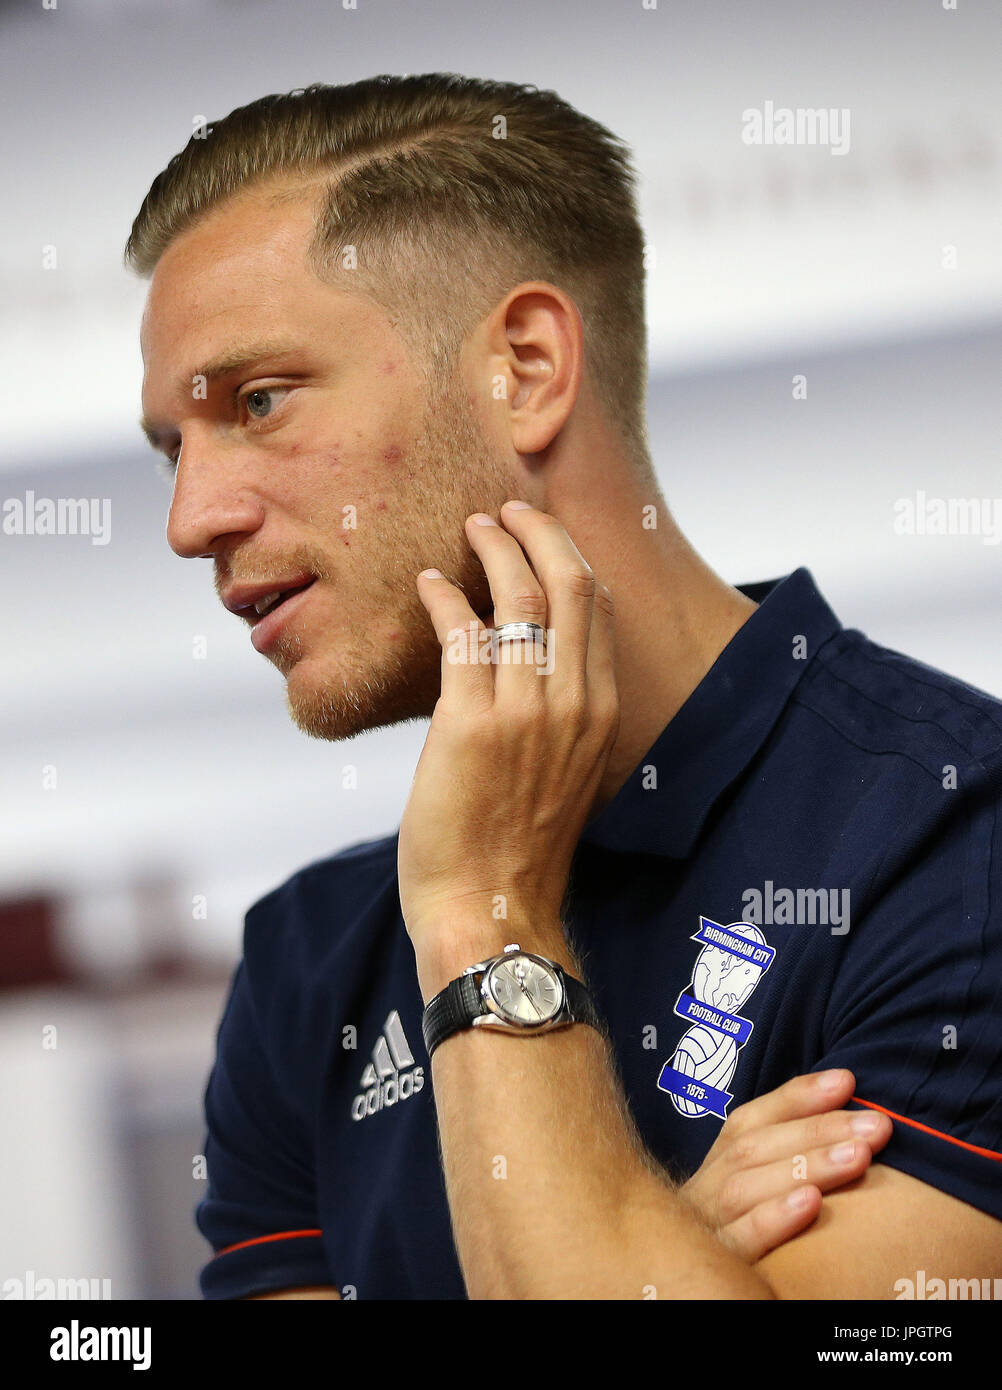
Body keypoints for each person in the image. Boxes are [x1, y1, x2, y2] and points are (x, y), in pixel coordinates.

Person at [127, 74, 1002, 1299]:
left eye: (257, 401)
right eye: (177, 447)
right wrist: (660, 1252)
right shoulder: (304, 965)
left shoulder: (963, 843)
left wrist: (483, 907)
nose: (190, 519)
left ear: (526, 367)